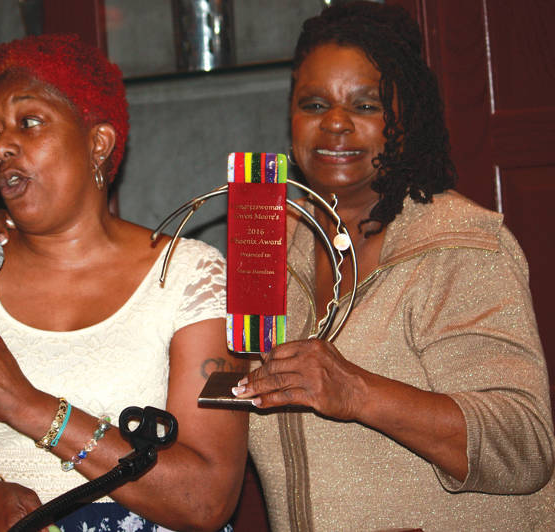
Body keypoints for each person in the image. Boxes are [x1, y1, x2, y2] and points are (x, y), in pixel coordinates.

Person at [0, 34, 248, 532]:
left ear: (98, 143)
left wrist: (23, 404)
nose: (1, 146)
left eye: (29, 123)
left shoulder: (190, 278)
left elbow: (204, 502)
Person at [228, 3, 555, 531]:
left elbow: (524, 445)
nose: (335, 123)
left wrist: (357, 392)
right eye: (314, 103)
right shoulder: (266, 243)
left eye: (366, 105)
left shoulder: (461, 245)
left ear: (406, 118)